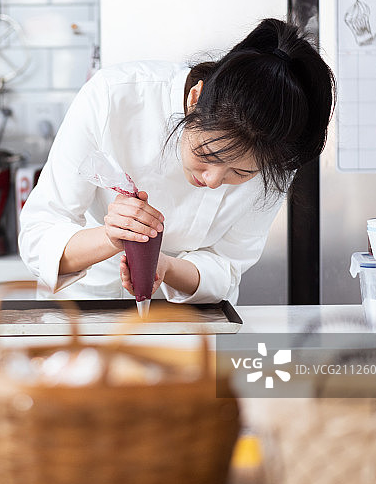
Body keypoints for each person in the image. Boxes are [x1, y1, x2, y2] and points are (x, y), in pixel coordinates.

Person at [18, 18, 335, 303]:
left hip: (191, 323)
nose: (212, 181)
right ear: (195, 100)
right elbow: (38, 238)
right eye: (207, 155)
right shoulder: (113, 97)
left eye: (241, 172)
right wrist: (111, 237)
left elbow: (227, 266)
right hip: (86, 309)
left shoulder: (277, 155)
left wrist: (166, 266)